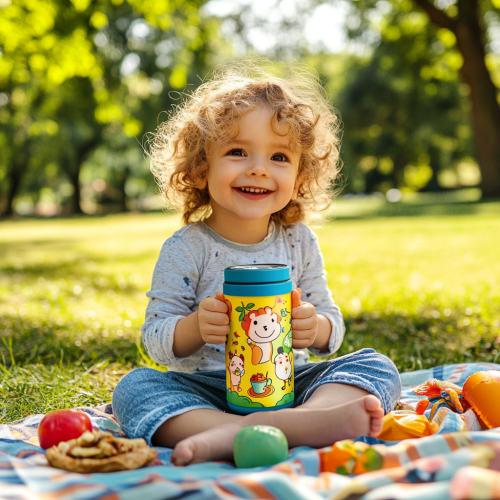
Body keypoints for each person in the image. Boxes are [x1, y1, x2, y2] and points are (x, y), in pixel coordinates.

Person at [112, 62, 401, 466]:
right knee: (134, 387)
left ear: (300, 177)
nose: (259, 168)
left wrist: (313, 326)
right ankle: (269, 428)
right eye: (237, 151)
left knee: (375, 364)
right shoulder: (187, 248)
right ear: (200, 168)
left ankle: (265, 427)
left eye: (279, 156)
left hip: (289, 381)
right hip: (207, 390)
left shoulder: (298, 241)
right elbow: (156, 339)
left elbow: (331, 328)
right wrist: (194, 328)